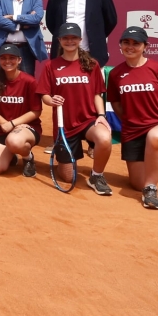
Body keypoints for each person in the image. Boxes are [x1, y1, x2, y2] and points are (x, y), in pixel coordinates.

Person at [107, 26, 158, 210]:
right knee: (137, 183)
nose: (130, 46)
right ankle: (146, 182)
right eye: (126, 42)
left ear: (145, 46)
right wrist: (128, 119)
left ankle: (151, 189)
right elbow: (116, 103)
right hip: (133, 131)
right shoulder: (116, 74)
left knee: (155, 137)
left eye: (136, 43)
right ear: (121, 45)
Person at [37, 23, 113, 195]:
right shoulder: (51, 66)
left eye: (73, 38)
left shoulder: (92, 65)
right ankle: (65, 159)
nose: (69, 41)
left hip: (88, 120)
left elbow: (97, 94)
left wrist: (101, 115)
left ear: (80, 40)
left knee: (104, 137)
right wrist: (51, 100)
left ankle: (97, 176)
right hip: (65, 125)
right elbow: (44, 95)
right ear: (59, 40)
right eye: (65, 38)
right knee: (68, 177)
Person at [0, 44, 42, 177]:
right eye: (3, 58)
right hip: (2, 128)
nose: (8, 61)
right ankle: (11, 154)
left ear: (19, 60)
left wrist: (13, 124)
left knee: (14, 141)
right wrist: (5, 124)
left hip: (27, 127)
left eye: (12, 58)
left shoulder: (29, 81)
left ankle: (28, 158)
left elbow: (36, 111)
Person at [45, 0, 118, 66]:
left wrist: (96, 35)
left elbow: (111, 20)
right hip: (63, 54)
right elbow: (51, 24)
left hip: (92, 54)